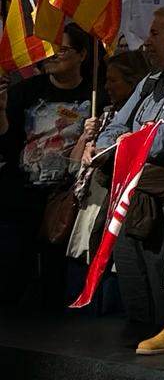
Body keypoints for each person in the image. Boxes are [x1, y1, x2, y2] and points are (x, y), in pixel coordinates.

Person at [84, 7, 164, 349]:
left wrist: (126, 144)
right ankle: (139, 322)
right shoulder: (148, 83)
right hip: (128, 189)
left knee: (158, 272)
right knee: (128, 266)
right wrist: (108, 145)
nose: (147, 43)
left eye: (155, 34)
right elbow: (116, 126)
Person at [0, 23, 94, 311]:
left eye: (62, 49)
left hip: (67, 197)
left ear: (82, 54)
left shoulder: (94, 94)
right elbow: (5, 139)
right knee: (13, 261)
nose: (52, 56)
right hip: (22, 191)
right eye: (48, 48)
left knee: (57, 271)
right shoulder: (25, 92)